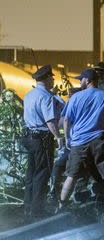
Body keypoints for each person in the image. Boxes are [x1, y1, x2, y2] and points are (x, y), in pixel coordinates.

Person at [57, 69, 104, 215]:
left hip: (79, 142)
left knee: (72, 175)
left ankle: (61, 208)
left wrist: (68, 138)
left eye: (81, 79)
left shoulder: (76, 97)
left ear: (88, 80)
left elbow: (66, 120)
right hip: (100, 140)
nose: (80, 82)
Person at [22, 65, 64, 216]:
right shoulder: (46, 97)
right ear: (46, 79)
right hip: (42, 139)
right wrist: (59, 137)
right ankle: (37, 211)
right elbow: (50, 122)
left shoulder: (29, 95)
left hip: (28, 137)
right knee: (42, 174)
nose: (53, 80)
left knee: (31, 173)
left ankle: (28, 207)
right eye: (51, 78)